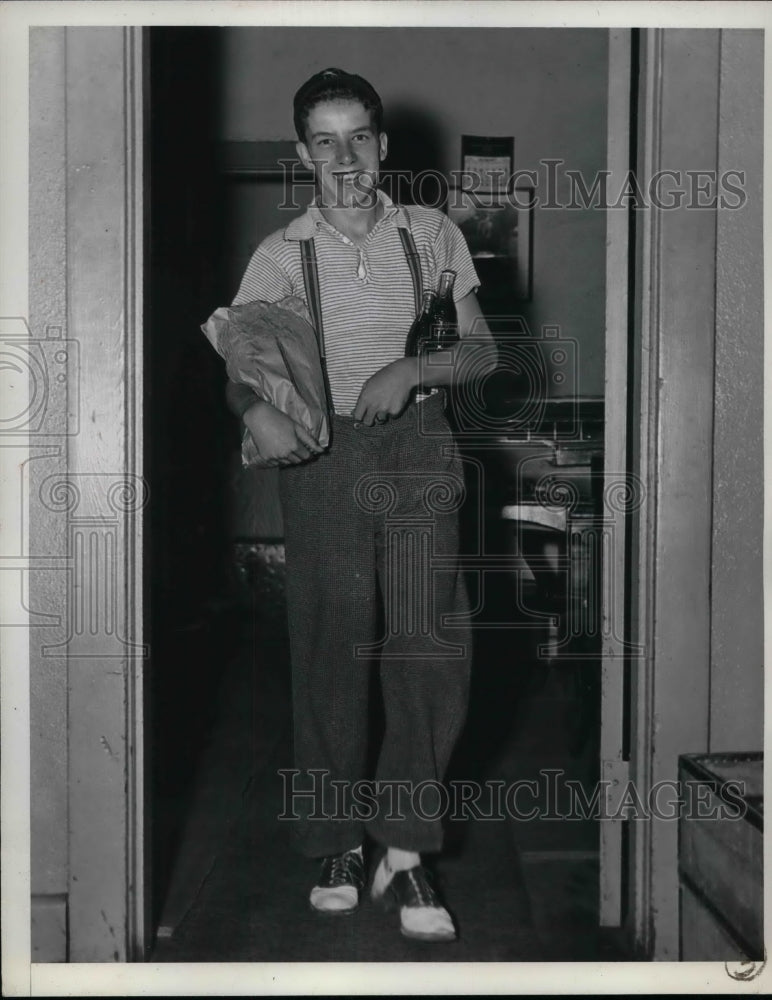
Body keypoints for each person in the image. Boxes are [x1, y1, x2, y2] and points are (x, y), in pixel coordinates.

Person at [223, 68, 497, 942]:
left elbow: (483, 353)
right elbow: (247, 376)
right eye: (325, 141)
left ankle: (408, 852)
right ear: (303, 154)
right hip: (325, 459)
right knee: (330, 647)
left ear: (384, 146)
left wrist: (412, 368)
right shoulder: (279, 255)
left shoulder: (433, 235)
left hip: (419, 445)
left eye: (361, 137)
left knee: (428, 646)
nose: (345, 157)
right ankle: (338, 839)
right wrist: (255, 407)